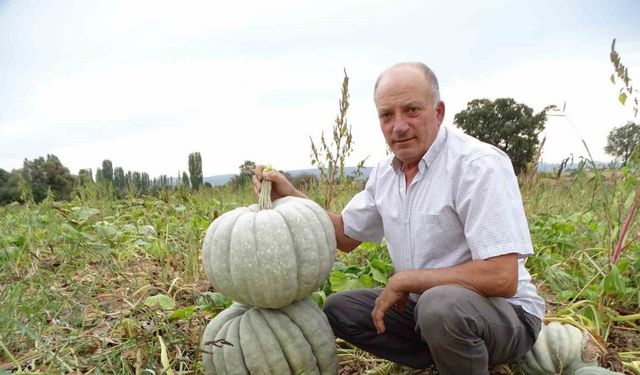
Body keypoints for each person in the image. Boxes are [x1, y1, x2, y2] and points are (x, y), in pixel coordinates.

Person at [252, 62, 544, 375]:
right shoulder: (385, 174)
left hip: (507, 315)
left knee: (439, 307)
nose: (398, 126)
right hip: (430, 310)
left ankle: (465, 356)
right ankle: (451, 356)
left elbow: (502, 277)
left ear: (439, 112)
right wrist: (291, 195)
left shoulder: (477, 166)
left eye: (412, 110)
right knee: (341, 310)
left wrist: (409, 279)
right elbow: (344, 236)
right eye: (387, 115)